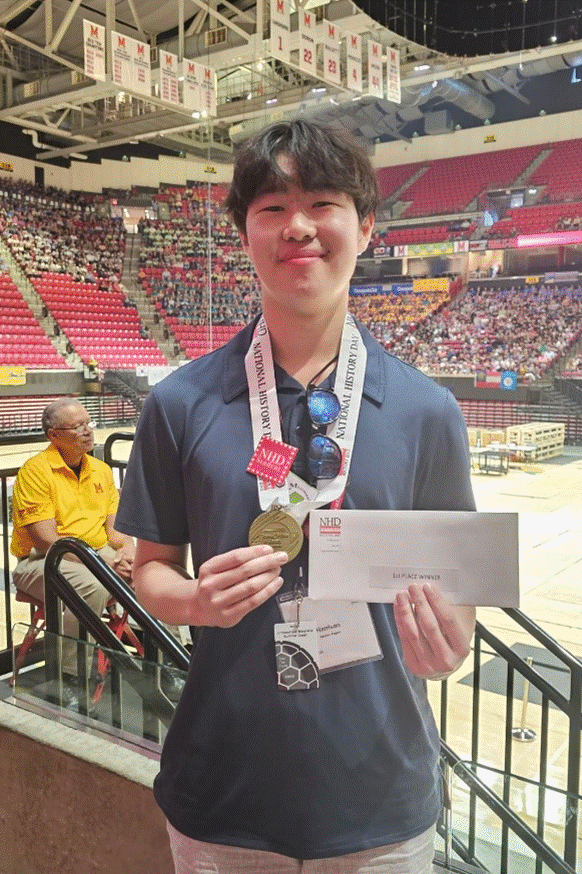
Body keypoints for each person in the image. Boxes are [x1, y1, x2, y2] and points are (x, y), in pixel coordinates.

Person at [115, 119, 476, 874]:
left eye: (322, 202)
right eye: (272, 208)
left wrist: (450, 641)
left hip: (380, 802)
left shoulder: (426, 410)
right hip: (224, 796)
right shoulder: (181, 403)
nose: (298, 227)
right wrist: (194, 603)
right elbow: (149, 567)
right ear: (245, 233)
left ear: (366, 226)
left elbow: (458, 590)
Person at [12, 399, 135, 697]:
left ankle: (169, 663)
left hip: (93, 555)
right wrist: (101, 564)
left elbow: (115, 530)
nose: (87, 431)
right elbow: (46, 541)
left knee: (149, 571)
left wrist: (128, 550)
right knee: (89, 587)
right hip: (44, 560)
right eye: (77, 426)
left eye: (88, 423)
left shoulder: (101, 471)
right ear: (54, 435)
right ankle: (69, 676)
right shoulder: (35, 473)